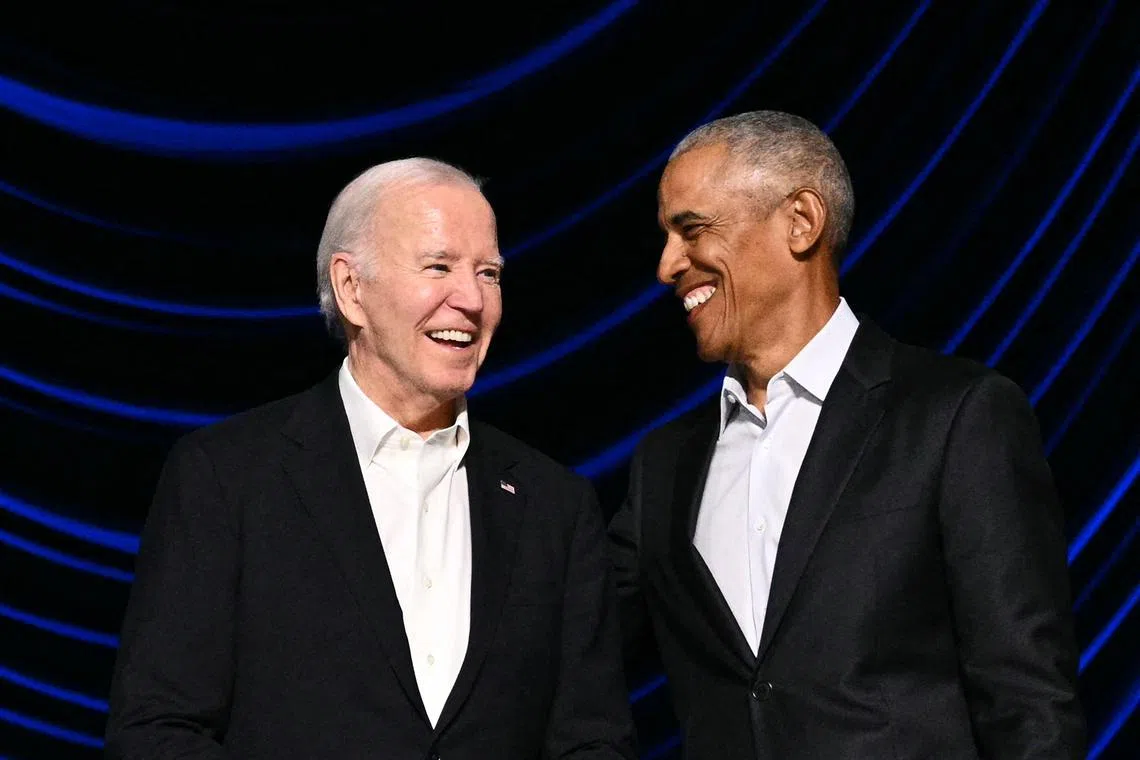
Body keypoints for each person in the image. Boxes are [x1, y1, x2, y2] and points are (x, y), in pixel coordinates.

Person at [106, 158, 636, 759]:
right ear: (351, 288)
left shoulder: (555, 507)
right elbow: (155, 731)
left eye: (488, 273)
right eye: (439, 266)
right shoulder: (226, 477)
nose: (470, 298)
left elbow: (593, 743)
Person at [608, 111, 1085, 759]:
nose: (667, 265)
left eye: (691, 229)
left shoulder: (954, 417)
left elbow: (1028, 701)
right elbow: (567, 647)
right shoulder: (663, 466)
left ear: (800, 221)